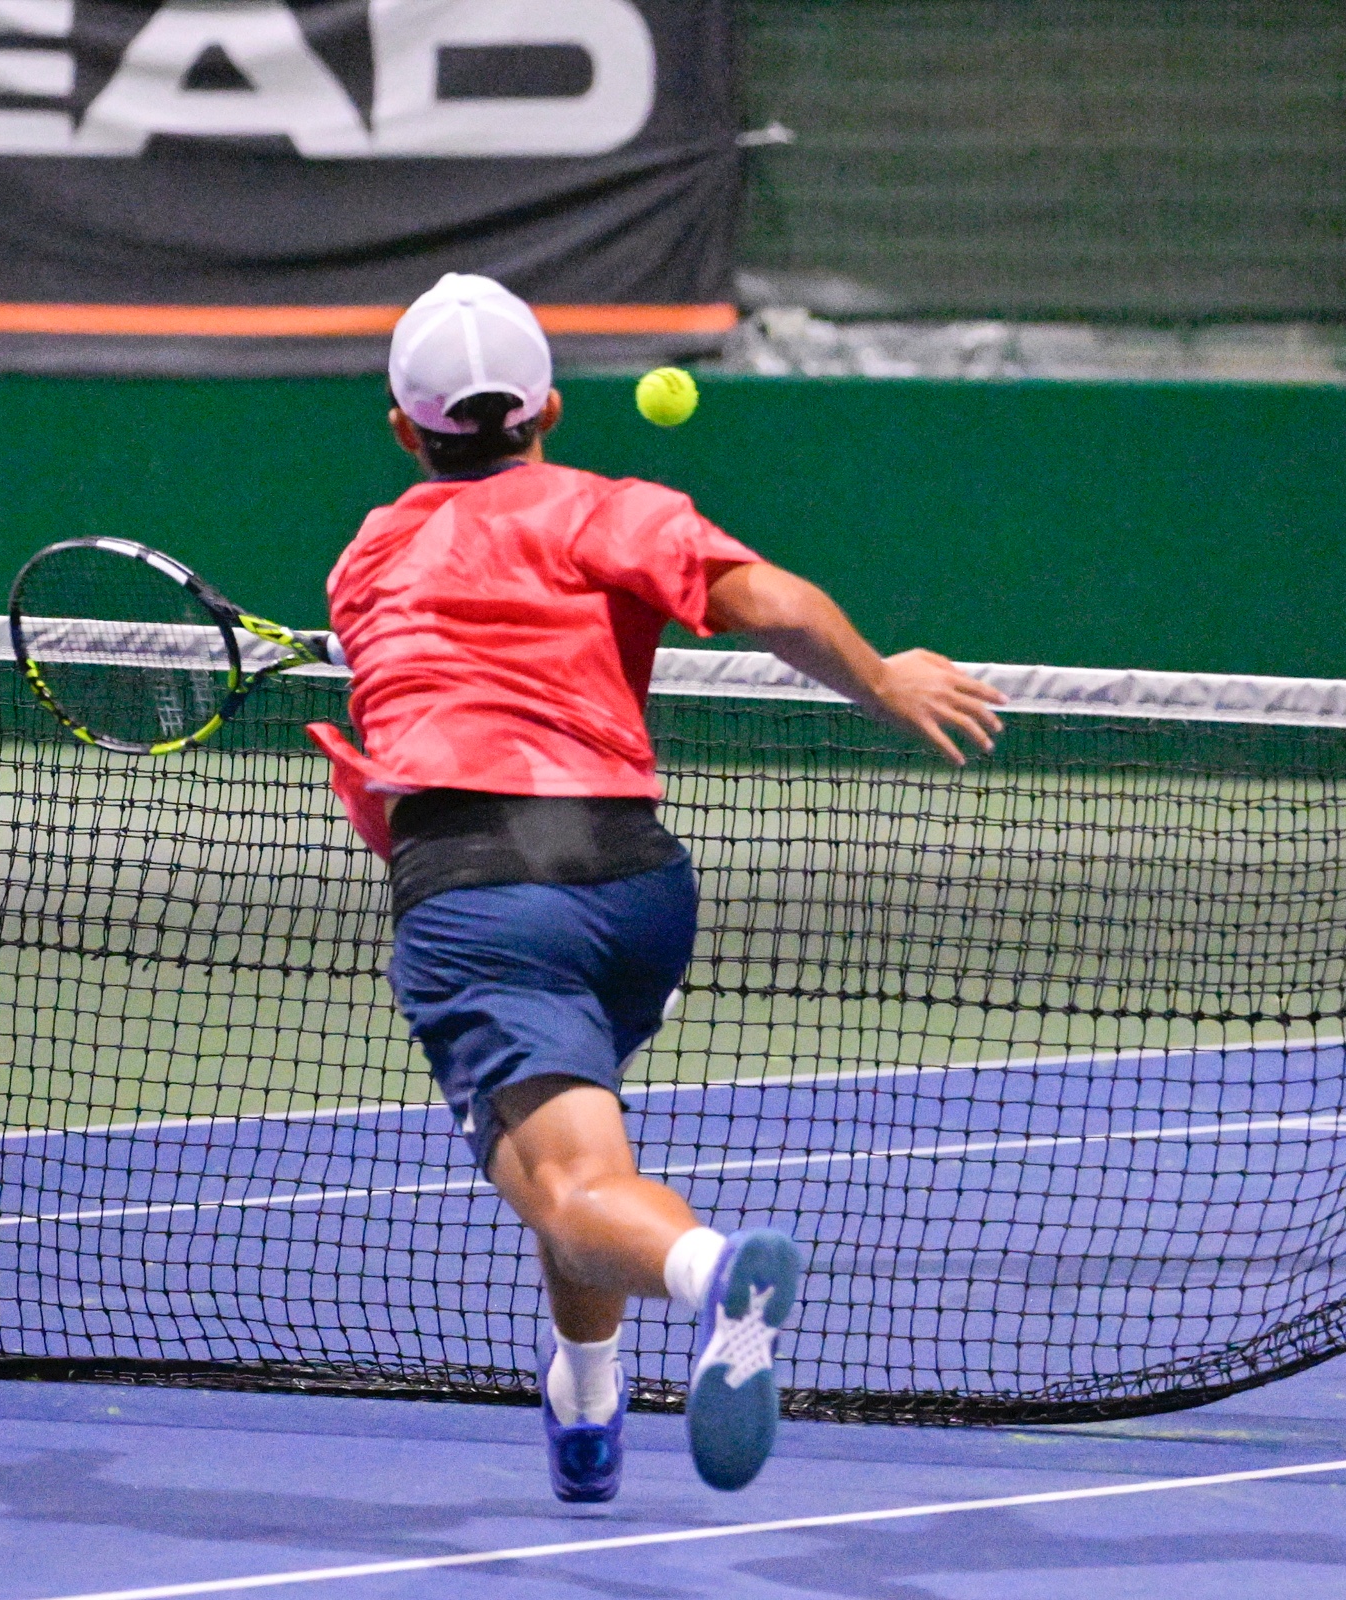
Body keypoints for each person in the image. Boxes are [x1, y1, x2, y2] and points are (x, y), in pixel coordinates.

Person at [308, 273, 1006, 1499]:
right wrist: (884, 680)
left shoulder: (365, 561)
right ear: (549, 409)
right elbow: (771, 601)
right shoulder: (610, 508)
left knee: (566, 1187)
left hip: (484, 895)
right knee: (576, 1149)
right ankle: (586, 1399)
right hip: (635, 890)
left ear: (404, 432)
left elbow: (411, 714)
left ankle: (711, 1272)